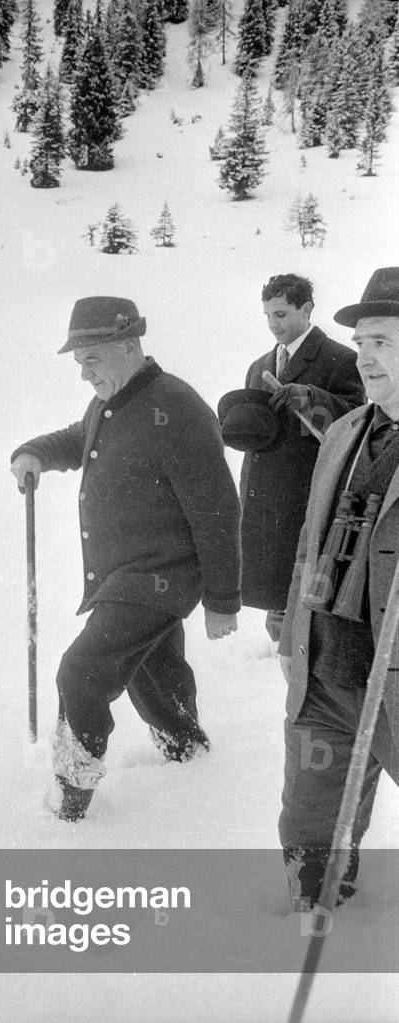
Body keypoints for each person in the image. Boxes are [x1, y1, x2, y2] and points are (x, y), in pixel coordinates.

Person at [10, 296, 241, 822]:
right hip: (124, 577)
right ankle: (189, 754)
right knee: (154, 671)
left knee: (82, 672)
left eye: (92, 359)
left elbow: (218, 511)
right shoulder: (113, 401)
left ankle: (71, 796)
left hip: (158, 577)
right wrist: (36, 453)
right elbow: (81, 439)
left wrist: (223, 599)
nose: (84, 374)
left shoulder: (177, 408)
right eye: (79, 363)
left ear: (130, 346)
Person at [278, 267, 399, 909]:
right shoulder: (350, 431)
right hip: (327, 668)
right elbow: (310, 539)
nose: (366, 357)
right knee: (310, 823)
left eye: (382, 341)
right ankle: (313, 899)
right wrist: (295, 626)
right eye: (362, 343)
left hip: (394, 673)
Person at [227, 274, 365, 642]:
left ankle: (300, 644)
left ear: (306, 309)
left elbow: (355, 423)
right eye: (268, 316)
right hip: (264, 495)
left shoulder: (340, 359)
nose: (274, 325)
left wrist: (308, 396)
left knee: (304, 579)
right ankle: (279, 634)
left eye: (282, 314)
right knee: (274, 582)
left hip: (307, 493)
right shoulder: (260, 365)